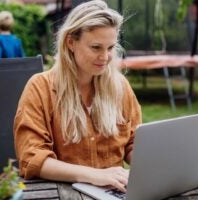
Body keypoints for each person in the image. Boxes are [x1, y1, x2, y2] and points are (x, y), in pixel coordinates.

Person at [14, 0, 142, 193]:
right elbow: (32, 159)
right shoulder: (40, 88)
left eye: (110, 48)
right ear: (71, 42)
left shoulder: (120, 87)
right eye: (96, 47)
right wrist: (94, 175)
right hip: (61, 193)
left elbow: (133, 143)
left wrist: (155, 161)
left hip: (116, 192)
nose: (105, 57)